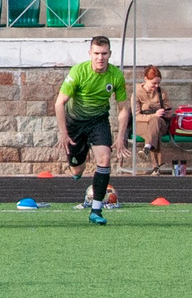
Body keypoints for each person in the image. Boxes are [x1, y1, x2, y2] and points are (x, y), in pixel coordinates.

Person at [56, 35, 128, 224]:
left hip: (98, 121)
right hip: (75, 123)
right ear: (90, 54)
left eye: (104, 53)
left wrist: (121, 136)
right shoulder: (78, 72)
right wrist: (63, 132)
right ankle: (77, 167)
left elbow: (123, 108)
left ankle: (96, 211)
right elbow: (59, 103)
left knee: (104, 159)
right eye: (96, 53)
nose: (100, 57)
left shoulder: (116, 76)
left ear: (110, 54)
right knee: (76, 169)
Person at [130, 64, 174, 173]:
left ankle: (147, 148)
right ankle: (156, 167)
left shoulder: (161, 92)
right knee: (154, 131)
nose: (156, 86)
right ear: (145, 79)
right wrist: (154, 115)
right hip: (141, 123)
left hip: (161, 122)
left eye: (158, 83)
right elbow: (137, 116)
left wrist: (166, 114)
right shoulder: (137, 93)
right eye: (154, 83)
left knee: (156, 122)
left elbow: (169, 110)